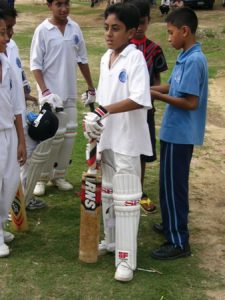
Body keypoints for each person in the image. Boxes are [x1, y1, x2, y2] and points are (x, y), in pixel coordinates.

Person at [83, 2, 152, 282]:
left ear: (132, 31)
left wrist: (104, 111)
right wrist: (95, 119)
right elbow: (104, 98)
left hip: (128, 140)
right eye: (106, 28)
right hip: (108, 138)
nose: (109, 34)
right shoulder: (105, 58)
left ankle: (127, 260)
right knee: (109, 193)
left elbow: (139, 98)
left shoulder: (135, 59)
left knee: (126, 198)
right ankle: (111, 242)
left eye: (116, 29)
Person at [150, 7, 208, 260]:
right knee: (166, 184)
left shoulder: (195, 61)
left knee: (175, 187)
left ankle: (179, 241)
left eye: (171, 33)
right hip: (173, 132)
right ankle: (171, 223)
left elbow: (190, 102)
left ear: (185, 31)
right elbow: (174, 86)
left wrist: (158, 96)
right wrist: (151, 89)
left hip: (181, 135)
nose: (169, 38)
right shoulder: (185, 56)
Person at [30, 0, 95, 197]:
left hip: (69, 93)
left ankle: (59, 176)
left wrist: (91, 87)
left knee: (68, 138)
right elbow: (35, 65)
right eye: (59, 4)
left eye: (66, 3)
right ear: (49, 5)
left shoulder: (75, 28)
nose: (64, 8)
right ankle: (40, 179)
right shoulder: (43, 30)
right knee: (49, 139)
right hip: (50, 97)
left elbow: (82, 59)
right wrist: (46, 91)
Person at [0, 1, 46, 210]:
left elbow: (17, 79)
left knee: (12, 177)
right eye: (5, 29)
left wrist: (27, 94)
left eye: (10, 29)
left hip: (14, 120)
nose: (9, 35)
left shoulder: (12, 48)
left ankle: (12, 211)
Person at [127, 0, 168, 214]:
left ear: (149, 22)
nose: (140, 27)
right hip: (124, 112)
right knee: (124, 150)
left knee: (142, 153)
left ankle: (139, 191)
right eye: (137, 23)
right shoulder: (123, 48)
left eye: (144, 22)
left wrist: (150, 98)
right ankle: (123, 189)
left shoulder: (154, 49)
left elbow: (157, 82)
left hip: (146, 112)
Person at [0, 12, 26, 257]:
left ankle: (0, 224)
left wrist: (20, 140)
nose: (6, 38)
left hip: (8, 131)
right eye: (0, 33)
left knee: (10, 182)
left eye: (6, 32)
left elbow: (18, 104)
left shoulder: (7, 63)